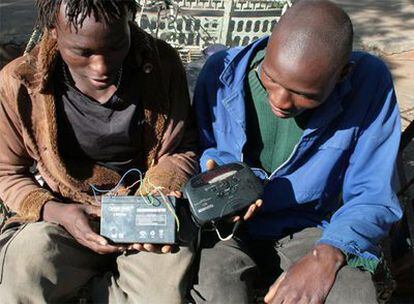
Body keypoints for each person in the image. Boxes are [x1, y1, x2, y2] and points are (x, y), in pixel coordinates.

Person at [191, 0, 402, 303]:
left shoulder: (369, 82)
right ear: (269, 44)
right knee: (217, 291)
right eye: (270, 78)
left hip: (310, 228)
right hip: (228, 231)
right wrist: (218, 184)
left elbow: (373, 194)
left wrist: (327, 254)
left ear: (342, 74)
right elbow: (198, 148)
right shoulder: (221, 72)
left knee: (353, 294)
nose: (280, 101)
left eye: (304, 94)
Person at [0, 0, 198, 303]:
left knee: (162, 294)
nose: (101, 67)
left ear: (129, 23)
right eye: (83, 52)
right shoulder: (20, 83)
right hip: (66, 212)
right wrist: (57, 212)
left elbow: (180, 148)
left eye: (116, 46)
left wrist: (152, 201)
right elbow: (7, 172)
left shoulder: (160, 65)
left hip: (144, 208)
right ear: (54, 31)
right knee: (27, 269)